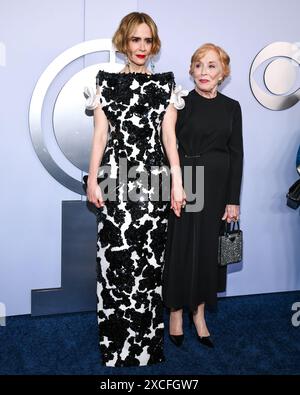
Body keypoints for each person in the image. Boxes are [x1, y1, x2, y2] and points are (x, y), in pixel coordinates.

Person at [84, 12, 185, 367]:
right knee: (115, 263)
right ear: (124, 42)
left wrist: (179, 183)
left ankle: (145, 348)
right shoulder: (105, 82)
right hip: (115, 180)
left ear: (153, 44)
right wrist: (92, 178)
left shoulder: (167, 85)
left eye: (147, 40)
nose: (141, 47)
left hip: (153, 182)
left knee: (149, 264)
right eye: (135, 40)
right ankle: (115, 347)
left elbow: (169, 138)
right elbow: (100, 136)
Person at [163, 43, 244, 348]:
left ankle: (198, 314)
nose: (203, 72)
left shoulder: (232, 107)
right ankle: (174, 312)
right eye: (198, 65)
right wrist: (176, 183)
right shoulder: (181, 102)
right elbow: (168, 145)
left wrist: (233, 199)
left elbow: (237, 154)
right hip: (187, 183)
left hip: (218, 187)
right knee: (182, 248)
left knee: (208, 253)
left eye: (211, 66)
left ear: (223, 73)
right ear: (191, 70)